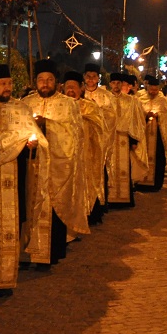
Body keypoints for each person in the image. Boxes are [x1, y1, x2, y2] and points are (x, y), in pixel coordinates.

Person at [0, 63, 47, 291]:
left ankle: (5, 278)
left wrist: (31, 145)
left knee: (13, 224)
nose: (7, 88)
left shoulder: (21, 109)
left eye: (9, 83)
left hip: (15, 176)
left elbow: (36, 138)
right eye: (2, 84)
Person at [22, 61, 90, 264]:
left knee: (52, 207)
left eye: (49, 80)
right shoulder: (25, 103)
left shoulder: (68, 104)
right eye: (41, 80)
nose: (45, 84)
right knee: (28, 205)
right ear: (35, 82)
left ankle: (49, 254)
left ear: (56, 82)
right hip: (31, 165)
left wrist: (47, 124)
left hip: (57, 167)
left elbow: (75, 135)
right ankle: (26, 252)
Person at [62, 71, 107, 225]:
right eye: (68, 87)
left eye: (74, 87)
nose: (71, 90)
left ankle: (88, 214)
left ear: (81, 88)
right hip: (65, 154)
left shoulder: (89, 106)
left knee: (86, 181)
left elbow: (100, 127)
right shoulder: (59, 106)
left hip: (86, 152)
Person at [82, 62, 118, 215]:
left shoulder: (106, 96)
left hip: (99, 140)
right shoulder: (79, 93)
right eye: (88, 77)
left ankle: (98, 207)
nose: (91, 80)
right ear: (84, 77)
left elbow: (112, 117)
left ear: (98, 78)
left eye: (94, 77)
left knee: (99, 170)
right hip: (82, 140)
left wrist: (96, 112)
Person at [108, 72, 147, 205]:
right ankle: (110, 198)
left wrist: (134, 141)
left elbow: (135, 121)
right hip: (110, 139)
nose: (116, 85)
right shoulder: (105, 99)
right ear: (110, 84)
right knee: (110, 166)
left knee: (126, 166)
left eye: (119, 83)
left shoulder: (130, 101)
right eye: (113, 83)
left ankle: (125, 199)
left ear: (122, 84)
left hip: (125, 138)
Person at [136, 75, 167, 189]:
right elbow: (137, 114)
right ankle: (141, 182)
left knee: (158, 158)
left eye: (155, 90)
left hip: (158, 134)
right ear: (147, 88)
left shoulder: (163, 100)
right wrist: (145, 115)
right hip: (144, 133)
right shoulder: (140, 98)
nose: (153, 92)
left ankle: (156, 184)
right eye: (151, 90)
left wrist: (158, 115)